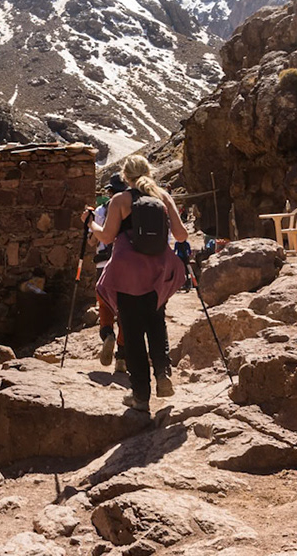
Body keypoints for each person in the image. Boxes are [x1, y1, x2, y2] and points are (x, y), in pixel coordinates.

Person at [93, 154, 188, 412]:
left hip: (127, 274)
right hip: (158, 273)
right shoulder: (163, 198)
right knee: (156, 323)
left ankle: (140, 396)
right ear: (149, 172)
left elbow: (108, 236)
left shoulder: (120, 200)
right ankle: (162, 373)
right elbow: (181, 235)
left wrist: (90, 224)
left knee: (132, 333)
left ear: (125, 177)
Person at [94, 175, 125, 372]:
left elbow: (94, 239)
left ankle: (107, 334)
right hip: (124, 264)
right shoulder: (130, 208)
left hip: (102, 264)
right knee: (125, 310)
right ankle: (122, 356)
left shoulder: (101, 210)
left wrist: (90, 224)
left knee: (104, 304)